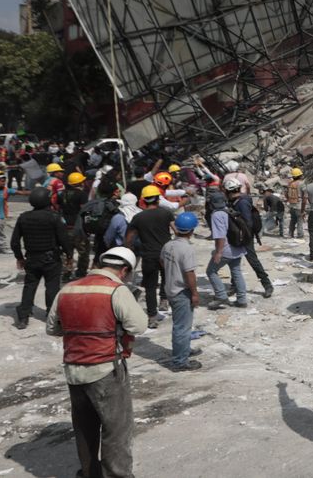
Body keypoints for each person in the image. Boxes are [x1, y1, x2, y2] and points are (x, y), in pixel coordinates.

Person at [46, 246, 144, 478]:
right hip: (105, 368)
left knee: (85, 427)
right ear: (124, 270)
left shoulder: (67, 289)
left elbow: (53, 327)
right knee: (116, 429)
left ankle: (90, 473)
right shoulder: (116, 290)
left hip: (73, 369)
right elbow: (138, 326)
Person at [12, 186, 72, 329]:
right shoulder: (54, 217)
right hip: (51, 259)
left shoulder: (23, 217)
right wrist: (69, 255)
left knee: (29, 286)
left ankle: (23, 317)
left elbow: (14, 242)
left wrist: (19, 258)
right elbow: (64, 239)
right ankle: (52, 317)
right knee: (52, 287)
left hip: (31, 259)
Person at [125, 185, 175, 328]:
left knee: (150, 287)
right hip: (166, 253)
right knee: (166, 278)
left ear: (143, 201)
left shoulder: (138, 217)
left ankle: (152, 316)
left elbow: (129, 238)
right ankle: (164, 301)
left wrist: (129, 250)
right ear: (158, 199)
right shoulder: (165, 213)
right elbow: (176, 230)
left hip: (148, 255)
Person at [162, 212, 202, 371]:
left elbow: (162, 262)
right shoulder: (186, 249)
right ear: (191, 231)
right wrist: (194, 293)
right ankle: (180, 361)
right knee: (182, 327)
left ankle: (183, 350)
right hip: (181, 291)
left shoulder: (168, 245)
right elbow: (189, 273)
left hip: (170, 288)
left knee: (181, 325)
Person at [205, 192, 248, 310]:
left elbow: (220, 236)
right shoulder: (229, 211)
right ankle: (242, 299)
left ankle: (221, 296)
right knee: (236, 271)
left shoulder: (217, 215)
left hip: (226, 249)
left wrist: (218, 252)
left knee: (211, 271)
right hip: (238, 247)